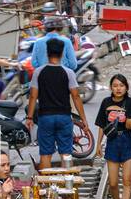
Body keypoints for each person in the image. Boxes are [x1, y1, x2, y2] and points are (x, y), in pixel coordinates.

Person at [25, 36, 90, 172]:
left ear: (47, 53)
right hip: (64, 117)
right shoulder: (69, 73)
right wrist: (83, 119)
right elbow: (76, 96)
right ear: (61, 53)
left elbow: (33, 96)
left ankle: (45, 188)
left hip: (45, 118)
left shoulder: (39, 72)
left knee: (45, 154)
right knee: (66, 154)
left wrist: (29, 117)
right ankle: (68, 188)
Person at [94, 73, 131, 199]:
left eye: (121, 85)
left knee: (127, 181)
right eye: (115, 85)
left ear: (126, 87)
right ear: (111, 87)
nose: (118, 88)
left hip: (127, 140)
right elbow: (101, 124)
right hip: (112, 142)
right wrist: (98, 145)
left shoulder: (130, 102)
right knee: (112, 183)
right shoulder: (106, 102)